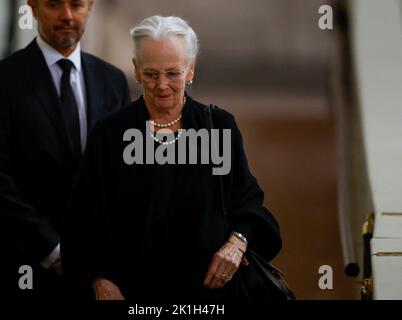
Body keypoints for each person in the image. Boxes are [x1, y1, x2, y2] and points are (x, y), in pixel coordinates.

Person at [62, 15, 281, 301]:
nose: (162, 85)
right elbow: (82, 221)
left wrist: (236, 245)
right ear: (136, 70)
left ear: (191, 70)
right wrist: (100, 280)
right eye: (151, 74)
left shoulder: (219, 127)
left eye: (173, 73)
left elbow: (248, 204)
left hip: (208, 296)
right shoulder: (109, 134)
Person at [0, 0, 130, 300]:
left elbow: (119, 179)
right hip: (20, 265)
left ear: (90, 6)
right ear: (33, 6)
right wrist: (54, 251)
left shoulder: (113, 81)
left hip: (95, 271)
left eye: (76, 5)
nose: (67, 15)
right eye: (54, 4)